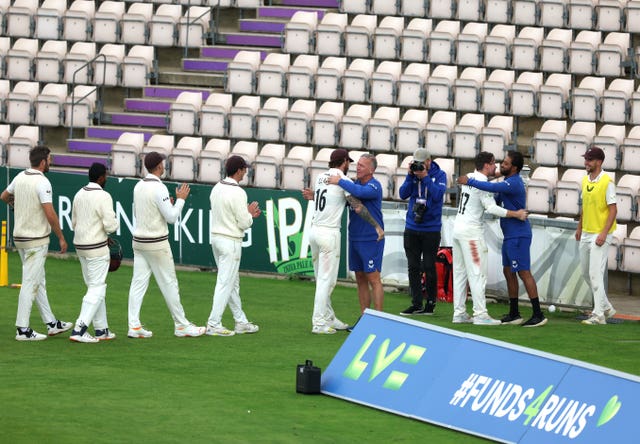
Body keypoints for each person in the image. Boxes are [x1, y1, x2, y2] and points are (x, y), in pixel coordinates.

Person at [457, 151, 546, 327]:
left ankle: (538, 313)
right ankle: (514, 313)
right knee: (508, 272)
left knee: (523, 272)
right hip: (510, 235)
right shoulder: (507, 182)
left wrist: (471, 181)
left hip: (519, 235)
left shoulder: (513, 183)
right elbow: (494, 200)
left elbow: (492, 189)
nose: (500, 166)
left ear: (514, 168)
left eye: (505, 164)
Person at [304, 149, 384, 334]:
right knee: (328, 281)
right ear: (344, 162)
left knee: (325, 279)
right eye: (353, 164)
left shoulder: (321, 177)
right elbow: (356, 204)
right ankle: (319, 322)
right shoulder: (345, 180)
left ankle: (330, 317)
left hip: (316, 231)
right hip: (330, 234)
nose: (355, 167)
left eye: (362, 165)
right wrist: (377, 226)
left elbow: (335, 198)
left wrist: (315, 196)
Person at [127, 152, 205, 339]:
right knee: (169, 283)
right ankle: (181, 325)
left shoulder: (138, 186)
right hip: (156, 243)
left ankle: (134, 326)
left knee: (138, 284)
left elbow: (145, 213)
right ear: (160, 167)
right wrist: (180, 200)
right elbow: (171, 218)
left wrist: (168, 205)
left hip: (139, 242)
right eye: (163, 164)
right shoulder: (159, 188)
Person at [0, 146, 72, 341]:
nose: (51, 162)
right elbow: (50, 213)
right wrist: (61, 237)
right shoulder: (42, 182)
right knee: (31, 282)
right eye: (49, 159)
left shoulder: (20, 177)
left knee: (38, 280)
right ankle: (22, 329)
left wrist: (17, 207)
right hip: (35, 240)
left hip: (21, 238)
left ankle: (51, 323)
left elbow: (4, 196)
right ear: (42, 162)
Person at [207, 155, 261, 337]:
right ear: (238, 170)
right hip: (230, 241)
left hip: (216, 238)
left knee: (231, 282)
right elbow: (244, 222)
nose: (245, 172)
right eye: (244, 169)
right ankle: (214, 323)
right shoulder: (238, 192)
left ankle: (241, 321)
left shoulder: (216, 188)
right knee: (225, 282)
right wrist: (250, 215)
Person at [327, 153, 385, 314]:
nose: (357, 167)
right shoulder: (353, 184)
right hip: (354, 237)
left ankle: (379, 320)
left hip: (371, 238)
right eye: (357, 164)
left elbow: (360, 193)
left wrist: (340, 180)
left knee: (373, 278)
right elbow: (344, 200)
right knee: (360, 279)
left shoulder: (374, 186)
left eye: (361, 166)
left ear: (371, 170)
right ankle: (364, 319)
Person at [69, 163, 119, 343]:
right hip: (97, 248)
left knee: (94, 288)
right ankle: (79, 329)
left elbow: (74, 222)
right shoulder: (104, 196)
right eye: (105, 175)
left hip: (81, 246)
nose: (106, 178)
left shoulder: (78, 194)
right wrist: (106, 231)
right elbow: (111, 226)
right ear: (101, 178)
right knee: (97, 288)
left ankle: (101, 329)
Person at [398, 148, 447, 316]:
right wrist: (409, 176)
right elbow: (402, 194)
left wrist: (425, 177)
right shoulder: (413, 175)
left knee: (428, 265)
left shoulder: (439, 175)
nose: (419, 165)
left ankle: (431, 303)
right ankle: (416, 303)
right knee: (413, 266)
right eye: (416, 162)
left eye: (422, 162)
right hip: (412, 226)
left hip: (431, 228)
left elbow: (438, 195)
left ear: (428, 161)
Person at [575, 147, 617, 325]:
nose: (586, 163)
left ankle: (599, 315)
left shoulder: (607, 181)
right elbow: (585, 206)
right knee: (586, 272)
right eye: (586, 159)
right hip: (586, 231)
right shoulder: (585, 180)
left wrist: (603, 233)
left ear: (598, 162)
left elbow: (613, 210)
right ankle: (606, 307)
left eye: (590, 160)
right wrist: (579, 227)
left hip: (601, 233)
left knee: (594, 273)